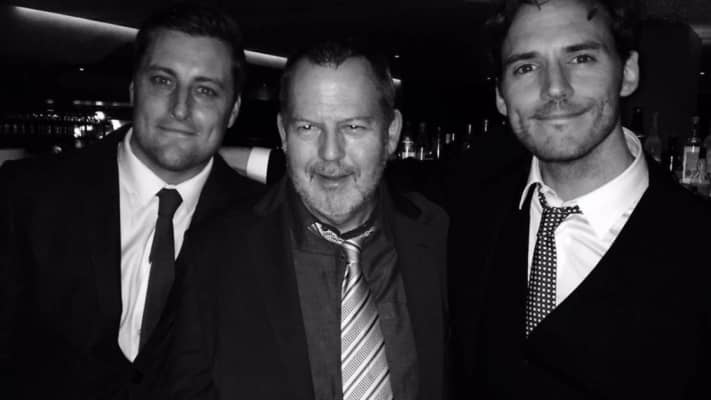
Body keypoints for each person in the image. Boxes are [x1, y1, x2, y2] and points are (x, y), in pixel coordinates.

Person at [0, 4, 270, 398]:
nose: (180, 108)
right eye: (162, 81)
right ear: (133, 89)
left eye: (205, 90)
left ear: (233, 111)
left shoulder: (264, 222)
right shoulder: (27, 196)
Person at [449, 0, 711, 398]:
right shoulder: (467, 218)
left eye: (581, 58)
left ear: (628, 72)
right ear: (501, 96)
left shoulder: (699, 245)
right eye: (526, 67)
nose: (555, 87)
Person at [169, 40, 449, 399]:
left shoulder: (439, 238)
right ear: (283, 133)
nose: (330, 153)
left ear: (391, 133)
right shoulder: (216, 252)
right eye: (307, 128)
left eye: (353, 127)